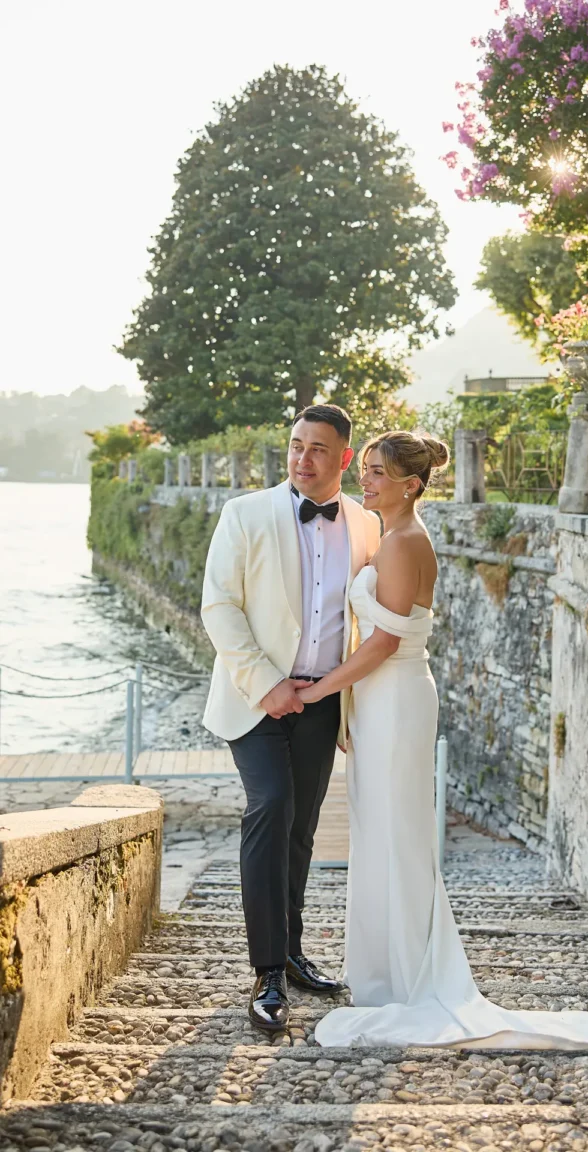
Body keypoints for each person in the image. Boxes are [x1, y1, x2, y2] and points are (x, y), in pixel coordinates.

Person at [297, 430, 588, 1053]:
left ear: (411, 483)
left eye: (376, 473)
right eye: (364, 469)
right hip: (379, 701)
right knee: (382, 832)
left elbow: (384, 642)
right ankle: (385, 975)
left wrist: (316, 692)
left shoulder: (404, 543)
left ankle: (408, 980)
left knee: (398, 835)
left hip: (395, 700)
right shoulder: (392, 536)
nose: (364, 480)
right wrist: (346, 705)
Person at [200, 404, 381, 1034]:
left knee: (302, 828)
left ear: (345, 459)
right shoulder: (244, 514)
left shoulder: (364, 523)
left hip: (324, 702)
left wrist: (351, 702)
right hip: (256, 698)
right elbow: (219, 607)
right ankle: (268, 971)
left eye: (317, 450)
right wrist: (267, 683)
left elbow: (365, 620)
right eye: (295, 445)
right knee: (270, 807)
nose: (302, 459)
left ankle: (296, 954)